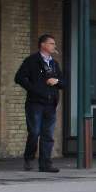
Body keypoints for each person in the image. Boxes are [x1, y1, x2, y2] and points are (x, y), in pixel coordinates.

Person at [14, 34, 65, 172]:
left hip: (51, 103)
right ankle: (29, 158)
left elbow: (63, 82)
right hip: (35, 103)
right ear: (43, 45)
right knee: (35, 132)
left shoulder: (54, 64)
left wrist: (57, 82)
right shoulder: (32, 61)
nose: (54, 46)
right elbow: (19, 78)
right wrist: (34, 89)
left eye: (54, 44)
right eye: (51, 43)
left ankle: (45, 164)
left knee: (47, 133)